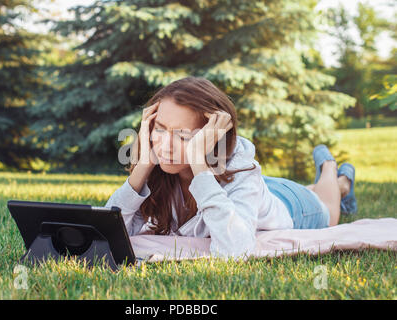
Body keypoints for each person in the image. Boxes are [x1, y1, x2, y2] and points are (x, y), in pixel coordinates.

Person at [105, 76, 357, 258]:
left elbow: (235, 251)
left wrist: (197, 158)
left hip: (293, 206)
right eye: (160, 129)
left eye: (183, 135)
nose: (166, 146)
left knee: (329, 208)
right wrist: (143, 165)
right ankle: (336, 179)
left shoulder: (240, 168)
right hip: (257, 191)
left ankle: (332, 170)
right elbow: (105, 234)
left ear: (211, 136)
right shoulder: (160, 165)